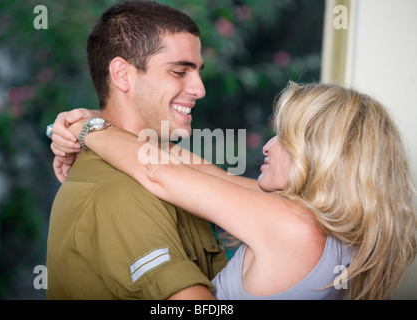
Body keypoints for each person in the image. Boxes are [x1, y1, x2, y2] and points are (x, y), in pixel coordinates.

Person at [52, 81, 416, 299]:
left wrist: (89, 129)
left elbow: (158, 173)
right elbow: (202, 171)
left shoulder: (294, 227)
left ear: (323, 154)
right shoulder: (330, 231)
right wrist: (101, 123)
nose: (269, 146)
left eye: (285, 138)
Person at [46, 0, 235, 300]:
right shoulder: (118, 190)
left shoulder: (172, 172)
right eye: (179, 71)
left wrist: (86, 124)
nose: (200, 89)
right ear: (122, 75)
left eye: (197, 71)